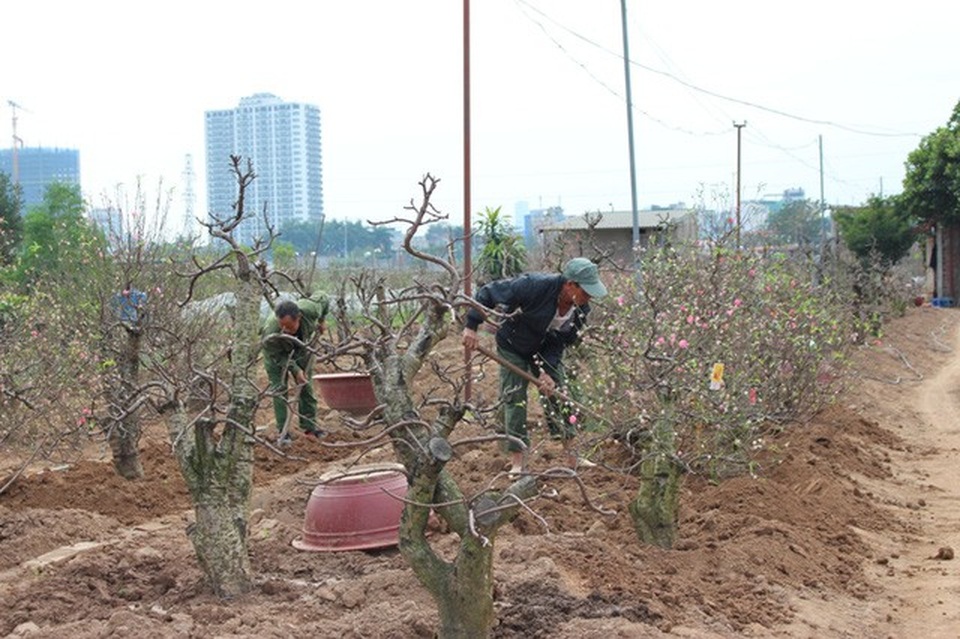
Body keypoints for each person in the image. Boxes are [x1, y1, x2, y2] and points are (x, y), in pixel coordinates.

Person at [462, 257, 607, 474]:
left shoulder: (580, 310)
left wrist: (547, 372)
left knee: (558, 392)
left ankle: (572, 456)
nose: (588, 298)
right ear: (570, 285)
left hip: (543, 349)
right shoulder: (533, 285)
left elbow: (560, 341)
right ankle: (518, 460)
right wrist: (472, 325)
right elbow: (488, 293)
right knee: (515, 398)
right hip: (513, 345)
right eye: (585, 292)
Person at [261, 293, 330, 444]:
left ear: (298, 317)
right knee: (279, 389)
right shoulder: (271, 331)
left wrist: (322, 320)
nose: (284, 330)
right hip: (276, 356)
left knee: (306, 385)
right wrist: (295, 369)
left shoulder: (310, 309)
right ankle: (283, 432)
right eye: (282, 326)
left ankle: (310, 427)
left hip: (301, 349)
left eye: (288, 326)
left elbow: (323, 298)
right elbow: (278, 356)